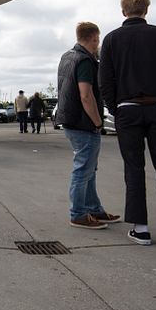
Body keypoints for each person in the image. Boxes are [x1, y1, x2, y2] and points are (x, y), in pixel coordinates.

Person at [99, 0, 156, 245]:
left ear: (123, 11)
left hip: (127, 110)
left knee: (134, 168)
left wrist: (116, 109)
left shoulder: (112, 39)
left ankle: (141, 228)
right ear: (146, 10)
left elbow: (104, 81)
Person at [56, 22, 120, 230]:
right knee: (83, 169)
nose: (98, 43)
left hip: (70, 120)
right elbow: (86, 95)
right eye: (98, 40)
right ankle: (78, 214)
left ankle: (93, 209)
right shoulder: (85, 60)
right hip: (84, 124)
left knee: (89, 169)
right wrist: (98, 122)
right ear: (94, 38)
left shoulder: (67, 57)